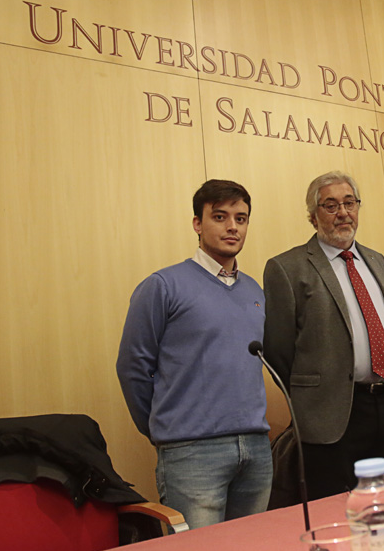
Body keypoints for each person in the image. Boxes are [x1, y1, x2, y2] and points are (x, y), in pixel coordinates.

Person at [116, 179, 271, 529]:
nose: (232, 226)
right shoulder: (163, 285)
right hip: (192, 453)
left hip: (256, 448)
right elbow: (133, 368)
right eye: (220, 216)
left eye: (241, 218)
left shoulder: (254, 290)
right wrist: (165, 428)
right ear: (197, 224)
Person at [263, 171, 384, 501]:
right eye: (331, 205)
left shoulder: (376, 260)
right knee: (335, 506)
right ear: (313, 215)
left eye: (349, 203)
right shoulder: (287, 268)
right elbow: (278, 351)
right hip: (331, 413)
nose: (343, 212)